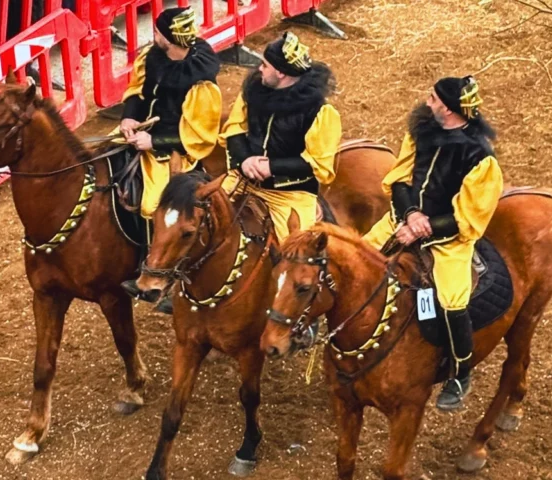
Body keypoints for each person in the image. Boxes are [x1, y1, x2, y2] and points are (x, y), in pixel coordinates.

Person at [362, 75, 504, 410]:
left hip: (448, 238)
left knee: (452, 298)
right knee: (353, 259)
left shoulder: (481, 159)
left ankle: (460, 370)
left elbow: (468, 219)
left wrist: (422, 230)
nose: (427, 103)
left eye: (433, 99)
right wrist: (410, 215)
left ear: (451, 109)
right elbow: (399, 178)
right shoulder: (420, 131)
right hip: (402, 221)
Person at [219, 31, 342, 242]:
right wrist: (245, 160)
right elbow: (235, 129)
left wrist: (271, 167)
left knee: (293, 252)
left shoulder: (320, 112)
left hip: (289, 195)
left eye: (265, 65)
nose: (259, 69)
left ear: (281, 73)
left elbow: (316, 164)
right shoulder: (253, 90)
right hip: (241, 179)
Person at [117, 6, 222, 220]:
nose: (153, 35)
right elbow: (139, 91)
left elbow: (200, 138)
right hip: (137, 132)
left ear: (170, 39)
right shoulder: (152, 56)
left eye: (157, 32)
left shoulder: (201, 83)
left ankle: (150, 252)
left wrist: (154, 141)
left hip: (172, 149)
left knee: (151, 206)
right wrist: (129, 116)